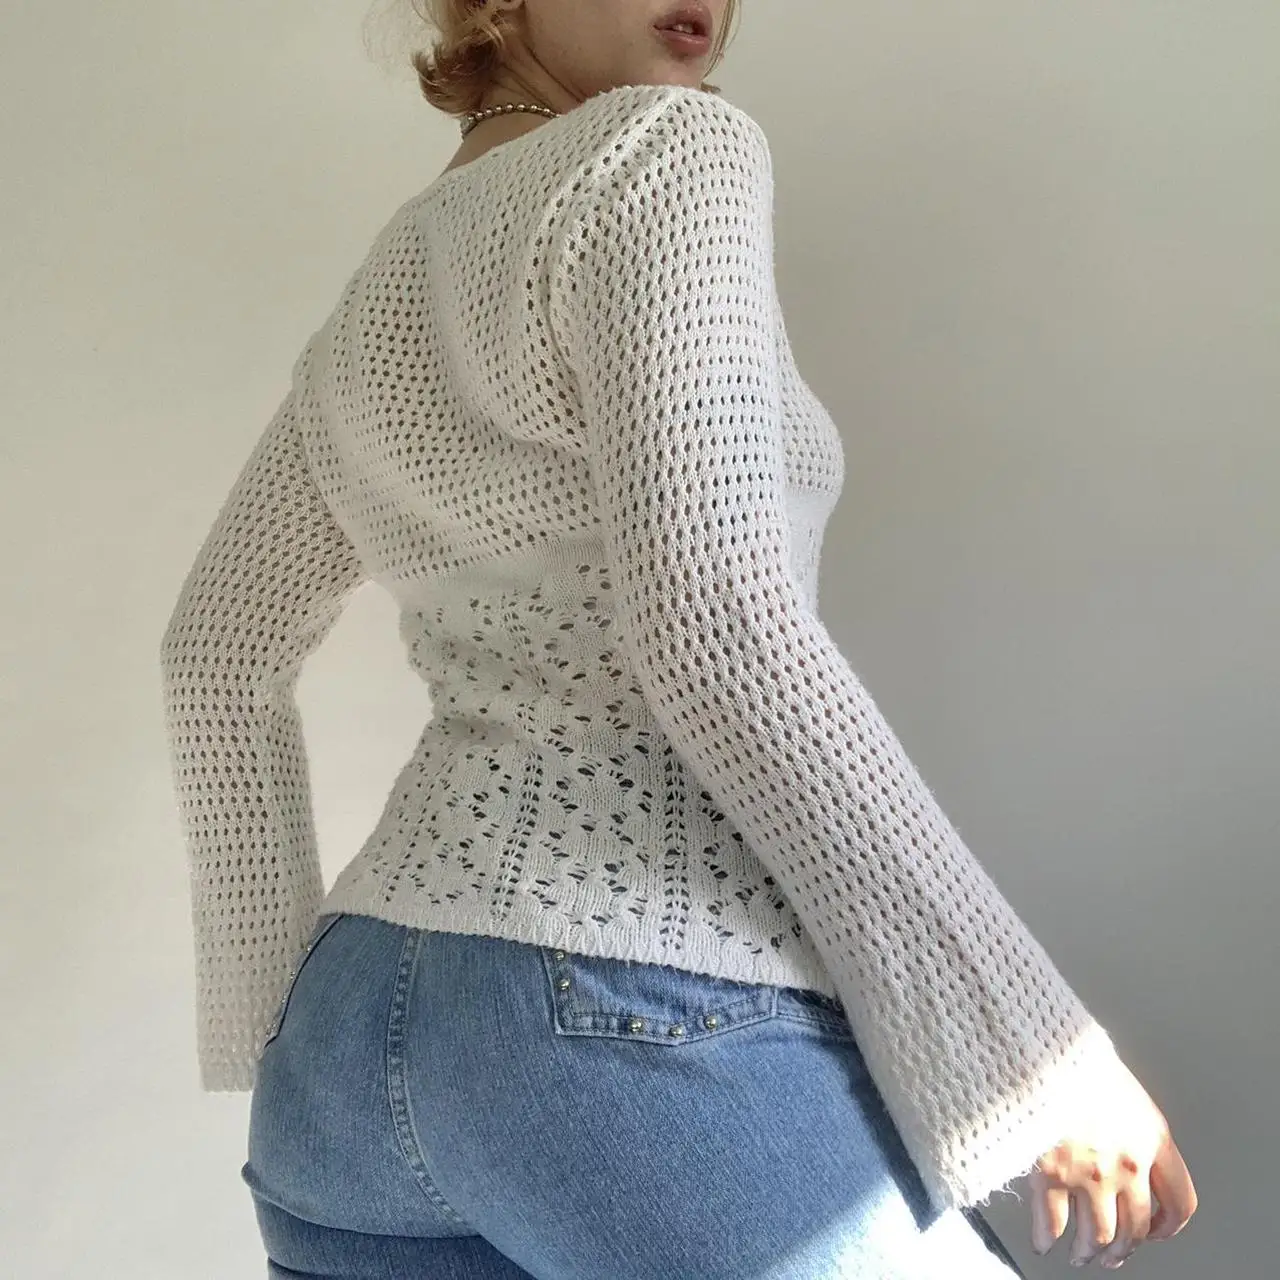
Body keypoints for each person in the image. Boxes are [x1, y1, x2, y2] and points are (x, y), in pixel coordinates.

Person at [158, 1, 1198, 1275]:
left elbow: (214, 652)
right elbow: (717, 620)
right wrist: (1026, 1055)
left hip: (342, 1061)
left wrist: (273, 1024)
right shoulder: (661, 150)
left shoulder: (380, 290)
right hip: (620, 1011)